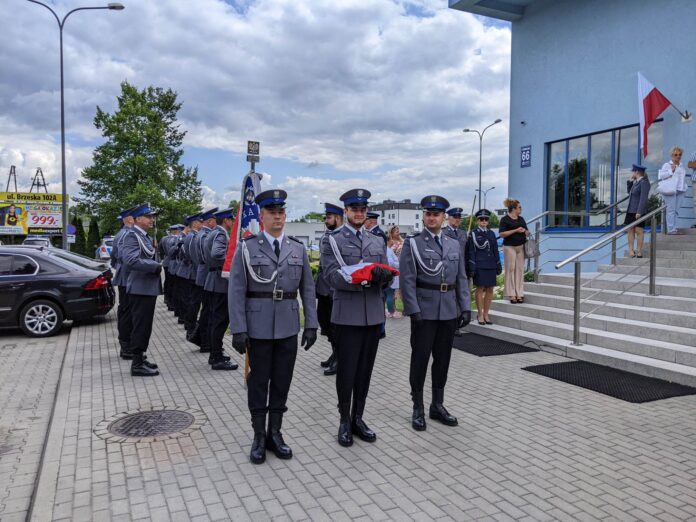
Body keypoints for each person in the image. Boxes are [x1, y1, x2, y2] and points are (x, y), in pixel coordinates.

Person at [229, 190, 318, 464]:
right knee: (258, 383)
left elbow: (308, 288)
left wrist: (311, 324)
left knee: (281, 382)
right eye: (272, 212)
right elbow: (236, 290)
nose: (277, 217)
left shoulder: (297, 248)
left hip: (288, 327)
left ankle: (275, 433)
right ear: (262, 216)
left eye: (281, 212)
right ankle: (258, 435)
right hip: (257, 327)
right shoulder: (247, 248)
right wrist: (238, 328)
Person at [320, 188, 392, 447]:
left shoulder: (376, 240)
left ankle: (358, 417)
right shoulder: (333, 240)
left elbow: (383, 268)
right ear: (346, 212)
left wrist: (383, 278)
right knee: (347, 371)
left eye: (363, 209)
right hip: (347, 314)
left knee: (365, 371)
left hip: (372, 315)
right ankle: (343, 420)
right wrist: (361, 281)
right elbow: (330, 275)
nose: (359, 213)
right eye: (354, 209)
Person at [400, 195, 470, 432]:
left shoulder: (453, 243)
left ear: (443, 217)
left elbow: (460, 277)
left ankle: (437, 405)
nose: (432, 218)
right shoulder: (413, 243)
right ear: (424, 216)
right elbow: (407, 280)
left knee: (443, 360)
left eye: (436, 214)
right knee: (420, 359)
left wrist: (466, 306)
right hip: (425, 311)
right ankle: (417, 407)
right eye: (428, 214)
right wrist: (413, 310)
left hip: (448, 310)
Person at [121, 203, 162, 377]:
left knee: (145, 326)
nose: (152, 219)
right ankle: (136, 364)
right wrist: (155, 266)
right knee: (140, 326)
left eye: (152, 216)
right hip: (140, 288)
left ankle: (140, 357)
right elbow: (130, 260)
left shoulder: (143, 236)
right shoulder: (132, 236)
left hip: (146, 287)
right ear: (138, 219)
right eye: (148, 216)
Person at [203, 208, 238, 370]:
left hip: (213, 279)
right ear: (226, 221)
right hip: (220, 282)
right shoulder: (221, 234)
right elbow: (217, 254)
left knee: (215, 320)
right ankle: (216, 357)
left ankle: (215, 353)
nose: (233, 223)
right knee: (220, 321)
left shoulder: (212, 233)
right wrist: (234, 260)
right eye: (232, 220)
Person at [315, 202, 344, 376]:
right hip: (324, 289)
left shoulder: (341, 237)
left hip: (335, 289)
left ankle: (340, 358)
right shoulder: (327, 235)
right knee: (325, 323)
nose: (326, 220)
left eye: (329, 217)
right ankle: (335, 353)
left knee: (335, 327)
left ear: (339, 218)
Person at [466, 209, 502, 324]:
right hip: (479, 265)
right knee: (480, 289)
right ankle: (480, 314)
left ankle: (486, 314)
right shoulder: (473, 233)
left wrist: (498, 264)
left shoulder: (491, 233)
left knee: (490, 289)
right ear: (477, 220)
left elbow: (495, 250)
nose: (484, 221)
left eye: (486, 219)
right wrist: (472, 266)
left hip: (491, 264)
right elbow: (471, 251)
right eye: (481, 219)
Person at [111, 205, 137, 360]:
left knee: (127, 311)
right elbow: (121, 256)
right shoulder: (125, 235)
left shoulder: (122, 234)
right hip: (126, 277)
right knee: (127, 312)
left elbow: (114, 258)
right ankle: (126, 346)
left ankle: (128, 344)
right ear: (129, 219)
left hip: (124, 276)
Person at [192, 208, 219, 352]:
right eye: (215, 220)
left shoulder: (203, 234)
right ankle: (204, 341)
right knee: (208, 311)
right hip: (207, 274)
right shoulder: (205, 235)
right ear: (210, 221)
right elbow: (205, 257)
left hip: (205, 274)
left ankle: (202, 339)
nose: (217, 222)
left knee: (207, 310)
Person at [443, 207, 468, 336]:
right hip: (449, 270)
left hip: (462, 270)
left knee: (461, 297)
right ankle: (451, 324)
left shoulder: (463, 234)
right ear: (448, 218)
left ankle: (458, 324)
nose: (457, 220)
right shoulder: (443, 232)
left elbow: (468, 253)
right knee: (450, 298)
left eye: (459, 218)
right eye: (455, 217)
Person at [498, 198, 529, 303]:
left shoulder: (521, 219)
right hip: (509, 246)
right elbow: (502, 234)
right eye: (519, 207)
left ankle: (519, 293)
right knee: (510, 270)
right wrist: (516, 230)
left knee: (519, 270)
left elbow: (527, 231)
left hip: (521, 246)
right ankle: (511, 294)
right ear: (514, 209)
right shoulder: (505, 219)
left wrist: (525, 231)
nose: (521, 209)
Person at [183, 213, 204, 345]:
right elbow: (193, 255)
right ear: (195, 223)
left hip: (194, 272)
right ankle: (190, 326)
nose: (202, 224)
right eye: (200, 222)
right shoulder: (192, 236)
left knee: (194, 301)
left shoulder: (192, 236)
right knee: (194, 301)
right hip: (195, 273)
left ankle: (190, 324)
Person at [624, 165, 651, 257]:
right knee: (630, 230)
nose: (632, 173)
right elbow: (629, 192)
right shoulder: (636, 182)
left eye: (633, 172)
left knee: (639, 231)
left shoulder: (644, 182)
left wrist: (639, 211)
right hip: (630, 210)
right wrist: (630, 181)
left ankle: (639, 251)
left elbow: (643, 198)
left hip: (638, 211)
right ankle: (631, 251)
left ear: (637, 172)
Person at [659, 146, 687, 235]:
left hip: (680, 190)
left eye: (680, 154)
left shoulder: (681, 166)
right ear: (672, 155)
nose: (678, 156)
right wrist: (671, 170)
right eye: (675, 154)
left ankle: (674, 227)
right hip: (670, 190)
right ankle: (671, 229)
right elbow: (662, 176)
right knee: (671, 210)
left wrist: (685, 187)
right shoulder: (667, 165)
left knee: (676, 210)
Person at [688, 151, 696, 228]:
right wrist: (693, 164)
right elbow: (690, 165)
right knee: (695, 202)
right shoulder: (694, 153)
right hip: (695, 181)